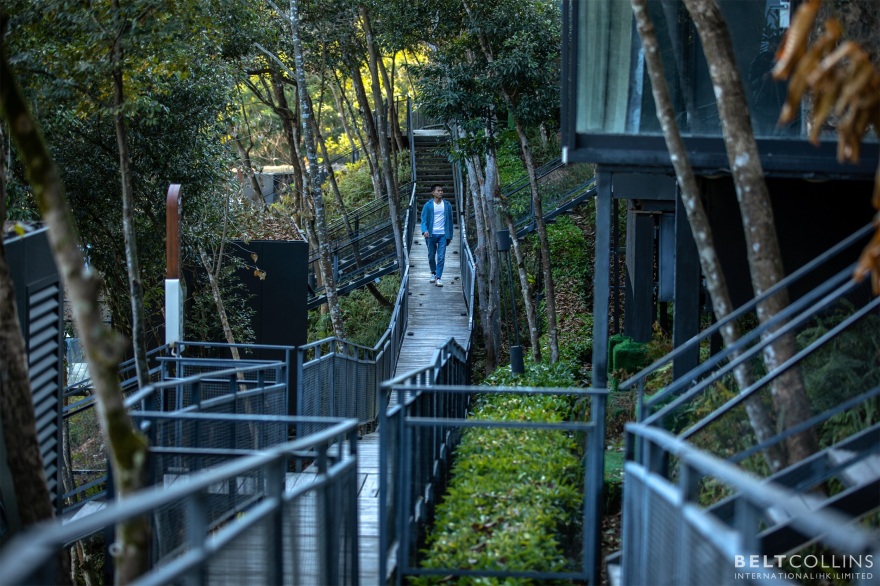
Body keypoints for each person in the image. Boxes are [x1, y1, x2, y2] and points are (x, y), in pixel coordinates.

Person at [420, 184, 453, 287]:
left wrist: (450, 236)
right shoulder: (428, 205)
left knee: (441, 257)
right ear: (433, 193)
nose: (441, 192)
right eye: (438, 191)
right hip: (431, 234)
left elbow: (450, 221)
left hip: (443, 234)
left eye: (442, 191)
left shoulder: (447, 205)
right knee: (431, 256)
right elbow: (423, 219)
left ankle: (438, 277)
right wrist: (424, 230)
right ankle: (433, 273)